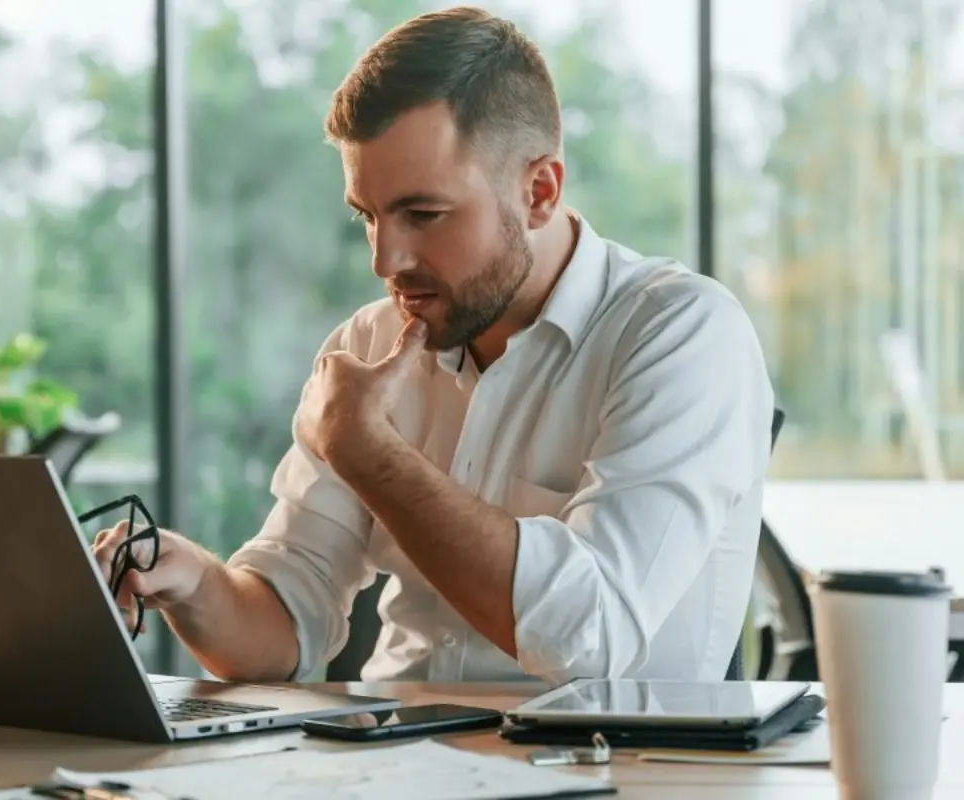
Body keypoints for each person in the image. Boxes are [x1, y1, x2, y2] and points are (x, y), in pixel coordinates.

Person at [93, 5, 774, 685]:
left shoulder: (682, 334)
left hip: (607, 776)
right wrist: (195, 585)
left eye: (424, 215)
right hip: (390, 764)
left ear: (539, 191)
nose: (386, 260)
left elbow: (590, 637)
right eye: (369, 216)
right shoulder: (368, 344)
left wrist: (372, 455)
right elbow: (284, 626)